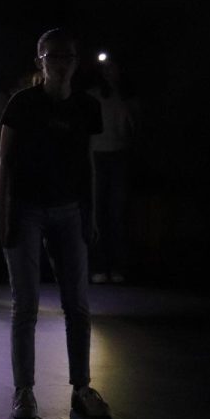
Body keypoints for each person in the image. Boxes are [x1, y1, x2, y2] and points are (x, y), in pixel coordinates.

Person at [0, 28, 111, 419]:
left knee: (77, 303)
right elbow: (4, 162)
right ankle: (24, 390)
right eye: (52, 56)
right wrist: (0, 215)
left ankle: (81, 387)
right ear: (40, 61)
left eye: (67, 56)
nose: (60, 63)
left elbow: (87, 164)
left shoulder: (86, 107)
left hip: (68, 210)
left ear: (76, 62)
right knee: (24, 305)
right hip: (26, 209)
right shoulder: (22, 104)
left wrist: (89, 213)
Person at [86, 53, 138, 284]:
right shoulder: (93, 96)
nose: (109, 73)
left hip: (119, 155)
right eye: (105, 69)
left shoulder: (127, 97)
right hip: (97, 156)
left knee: (117, 213)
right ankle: (98, 265)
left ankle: (117, 266)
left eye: (112, 68)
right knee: (97, 212)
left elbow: (132, 128)